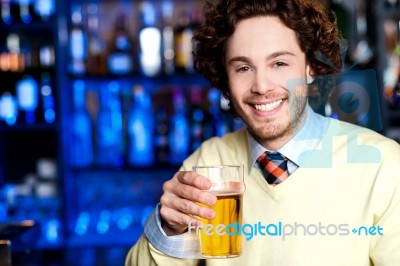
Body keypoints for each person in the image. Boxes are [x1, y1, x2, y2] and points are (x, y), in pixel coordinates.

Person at [125, 0, 400, 265]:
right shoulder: (207, 163)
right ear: (225, 78)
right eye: (243, 67)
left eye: (279, 63)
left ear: (310, 67)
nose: (261, 85)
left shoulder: (383, 165)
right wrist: (169, 228)